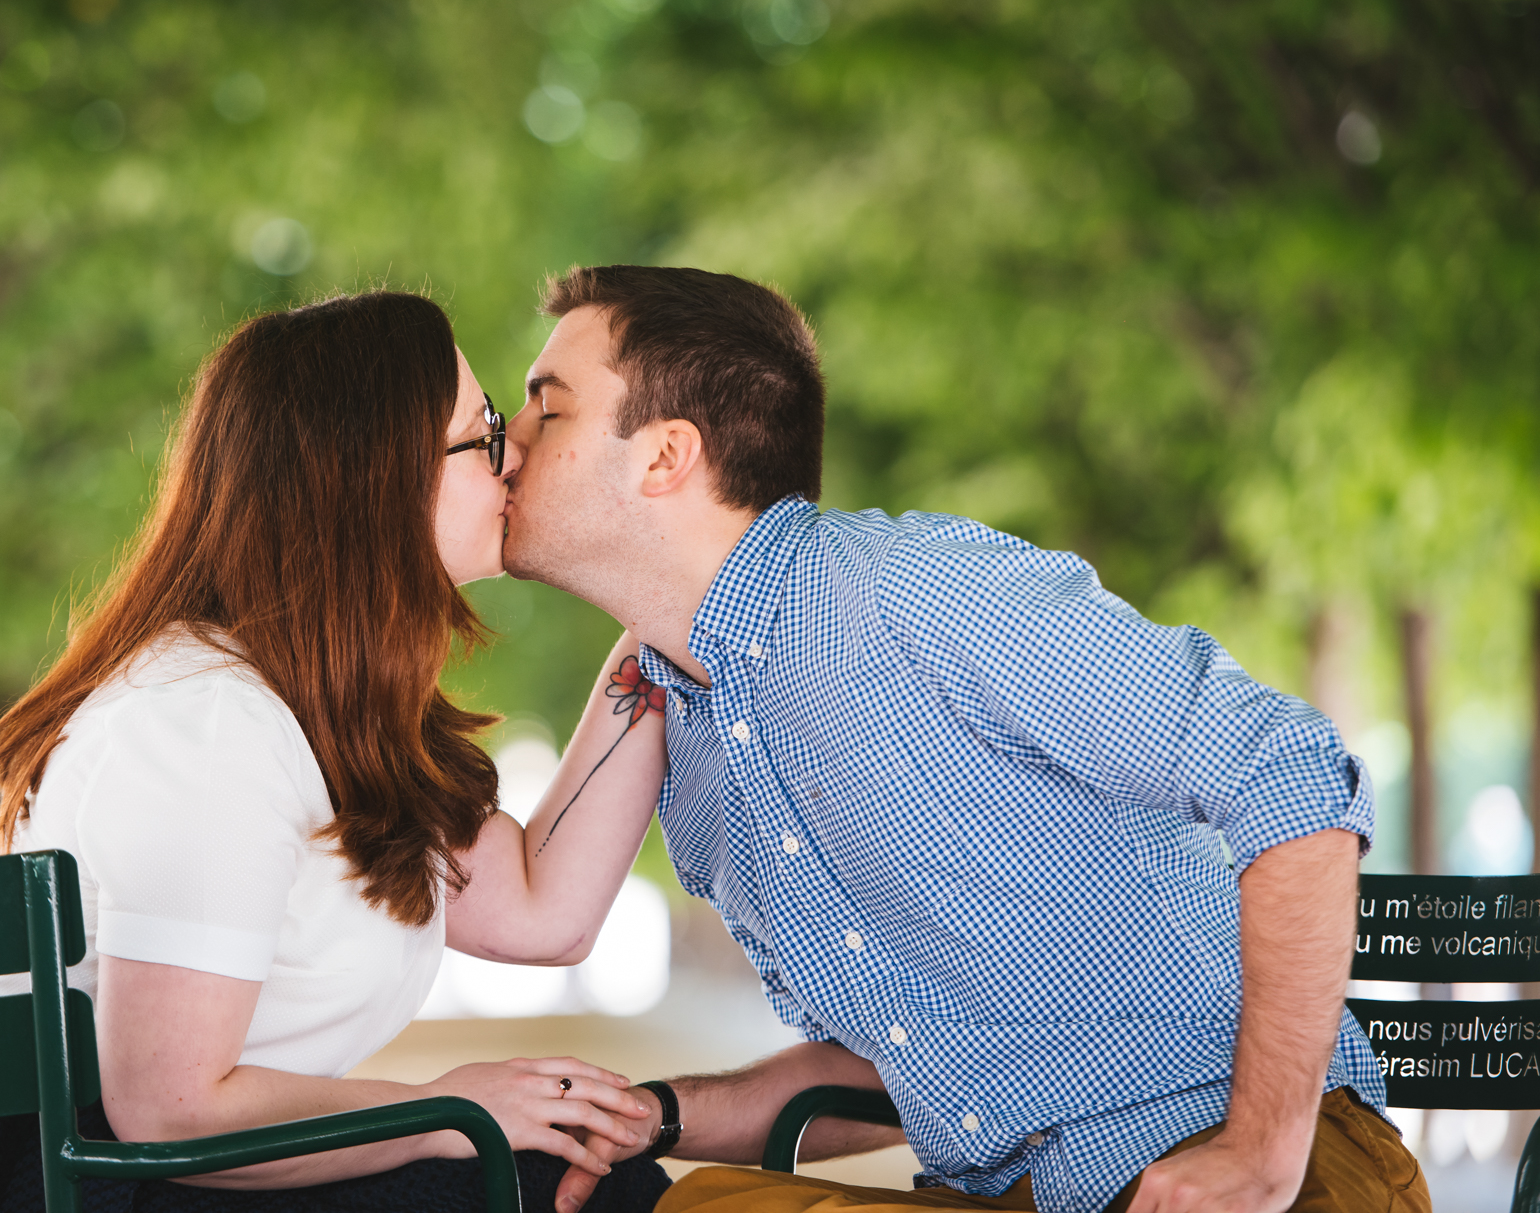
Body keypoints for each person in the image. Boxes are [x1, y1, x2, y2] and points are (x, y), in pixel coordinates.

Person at [495, 265, 1429, 1213]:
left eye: (547, 408)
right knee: (672, 1205)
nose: (507, 440)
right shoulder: (688, 741)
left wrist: (1264, 1149)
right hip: (1006, 1192)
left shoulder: (918, 592)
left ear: (665, 456)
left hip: (1226, 1154)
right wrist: (652, 1113)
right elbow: (903, 1060)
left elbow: (1291, 772)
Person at [0, 290, 677, 1213]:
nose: (515, 451)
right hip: (63, 1182)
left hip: (153, 1168)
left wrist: (661, 606)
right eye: (482, 434)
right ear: (374, 485)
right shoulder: (204, 724)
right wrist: (450, 1108)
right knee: (579, 1187)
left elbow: (539, 908)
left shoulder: (327, 707)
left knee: (584, 1179)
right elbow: (170, 1110)